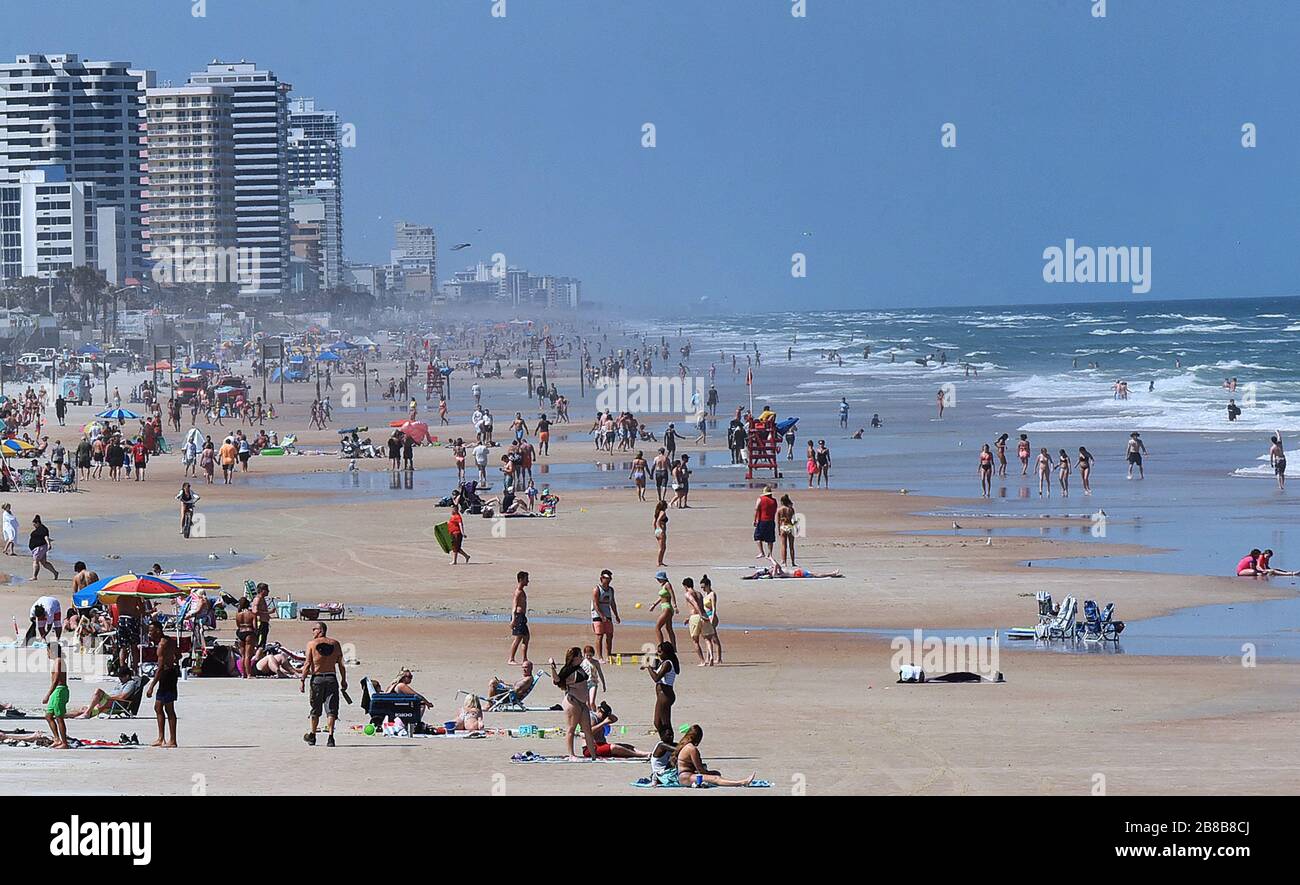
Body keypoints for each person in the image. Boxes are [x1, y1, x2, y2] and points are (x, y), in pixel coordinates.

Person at [300, 621, 348, 747]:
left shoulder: (311, 644)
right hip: (331, 678)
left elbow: (307, 663)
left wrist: (302, 680)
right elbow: (341, 665)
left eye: (314, 629)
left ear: (320, 630)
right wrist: (343, 680)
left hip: (317, 679)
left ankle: (313, 735)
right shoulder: (335, 643)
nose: (313, 632)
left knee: (315, 708)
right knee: (331, 709)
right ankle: (331, 737)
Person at [549, 646, 600, 762]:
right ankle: (571, 755)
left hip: (582, 703)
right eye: (579, 656)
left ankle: (594, 756)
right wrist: (552, 667)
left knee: (587, 730)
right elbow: (557, 680)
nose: (582, 657)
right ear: (574, 658)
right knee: (571, 729)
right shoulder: (567, 670)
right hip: (573, 702)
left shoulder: (580, 668)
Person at [673, 724, 755, 787]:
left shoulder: (686, 746)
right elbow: (700, 770)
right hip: (686, 777)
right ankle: (741, 783)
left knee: (716, 774)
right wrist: (710, 773)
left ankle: (738, 782)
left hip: (684, 776)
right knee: (716, 778)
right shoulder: (692, 749)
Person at [145, 619, 179, 747]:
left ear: (158, 631)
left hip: (166, 676)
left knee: (168, 708)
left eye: (151, 631)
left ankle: (172, 740)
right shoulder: (170, 640)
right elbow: (179, 655)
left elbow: (159, 669)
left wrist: (151, 686)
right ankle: (161, 738)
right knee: (158, 707)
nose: (149, 633)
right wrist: (171, 660)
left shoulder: (161, 646)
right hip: (171, 674)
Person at [68, 665, 140, 719]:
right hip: (109, 701)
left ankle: (86, 713)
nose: (119, 678)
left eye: (121, 677)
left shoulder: (130, 683)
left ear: (127, 676)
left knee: (98, 691)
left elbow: (123, 697)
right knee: (83, 709)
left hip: (116, 703)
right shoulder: (121, 683)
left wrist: (106, 698)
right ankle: (62, 715)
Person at [644, 641, 680, 742]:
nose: (658, 653)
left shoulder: (668, 664)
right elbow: (656, 667)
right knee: (657, 723)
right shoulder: (663, 663)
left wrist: (649, 667)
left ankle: (670, 744)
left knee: (666, 723)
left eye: (660, 652)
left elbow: (656, 677)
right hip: (661, 696)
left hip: (666, 696)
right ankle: (665, 741)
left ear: (666, 653)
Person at [42, 641, 70, 749]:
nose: (47, 653)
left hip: (60, 691)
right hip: (56, 691)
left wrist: (48, 694)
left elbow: (56, 679)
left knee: (59, 717)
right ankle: (57, 739)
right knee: (48, 716)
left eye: (48, 651)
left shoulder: (59, 661)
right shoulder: (56, 661)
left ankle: (64, 742)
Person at [591, 568, 620, 661]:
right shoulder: (597, 589)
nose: (608, 580)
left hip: (607, 614)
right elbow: (595, 604)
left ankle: (609, 655)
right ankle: (600, 657)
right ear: (601, 578)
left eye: (609, 579)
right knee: (600, 635)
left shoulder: (611, 590)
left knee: (610, 635)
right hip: (597, 615)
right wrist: (601, 616)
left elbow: (612, 603)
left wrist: (616, 615)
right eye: (606, 578)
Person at [651, 570, 677, 647]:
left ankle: (661, 646)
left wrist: (675, 605)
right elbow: (661, 597)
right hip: (665, 608)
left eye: (658, 578)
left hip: (667, 608)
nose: (657, 580)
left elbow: (672, 594)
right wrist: (654, 605)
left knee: (657, 627)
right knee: (669, 628)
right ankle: (674, 647)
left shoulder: (667, 584)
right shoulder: (663, 585)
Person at [509, 571, 530, 664]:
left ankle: (525, 659)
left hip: (522, 616)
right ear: (521, 579)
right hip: (518, 617)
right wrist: (513, 619)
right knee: (518, 638)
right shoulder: (518, 592)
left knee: (526, 637)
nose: (528, 581)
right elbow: (514, 606)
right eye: (526, 579)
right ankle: (511, 659)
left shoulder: (521, 591)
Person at [29, 515, 57, 581]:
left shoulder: (43, 529)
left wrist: (49, 544)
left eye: (34, 524)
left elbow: (45, 537)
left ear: (37, 523)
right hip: (40, 547)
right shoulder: (41, 529)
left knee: (35, 561)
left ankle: (34, 576)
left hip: (39, 548)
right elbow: (43, 537)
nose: (34, 526)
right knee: (44, 563)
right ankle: (55, 573)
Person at [235, 597, 257, 680]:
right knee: (248, 655)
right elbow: (255, 626)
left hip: (240, 632)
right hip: (249, 632)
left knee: (243, 655)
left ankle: (243, 674)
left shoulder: (238, 614)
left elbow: (238, 625)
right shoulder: (252, 614)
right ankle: (249, 674)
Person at [753, 486, 777, 558]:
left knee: (757, 536)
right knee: (770, 538)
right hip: (771, 520)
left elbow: (756, 509)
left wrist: (755, 520)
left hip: (762, 520)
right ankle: (770, 554)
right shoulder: (774, 500)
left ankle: (762, 552)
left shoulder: (760, 499)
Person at [653, 500, 669, 567]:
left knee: (662, 547)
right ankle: (659, 562)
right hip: (661, 531)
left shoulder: (657, 512)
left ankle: (660, 561)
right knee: (662, 548)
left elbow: (654, 522)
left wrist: (656, 529)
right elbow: (658, 520)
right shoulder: (662, 513)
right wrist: (661, 529)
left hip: (657, 531)